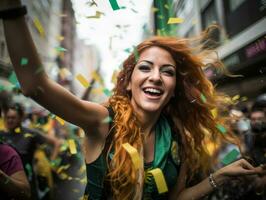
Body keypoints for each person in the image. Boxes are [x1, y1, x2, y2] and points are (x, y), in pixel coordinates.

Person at [0, 1, 265, 199]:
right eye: (146, 67)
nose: (156, 77)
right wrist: (11, 8)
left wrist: (220, 175)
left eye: (168, 71)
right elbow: (35, 85)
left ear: (174, 89)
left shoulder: (177, 136)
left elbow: (176, 198)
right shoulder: (102, 122)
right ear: (128, 82)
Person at [0, 103, 61, 199]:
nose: (9, 120)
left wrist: (52, 163)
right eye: (7, 118)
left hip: (28, 180)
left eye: (13, 118)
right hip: (8, 183)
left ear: (21, 118)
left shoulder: (30, 133)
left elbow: (56, 143)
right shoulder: (1, 135)